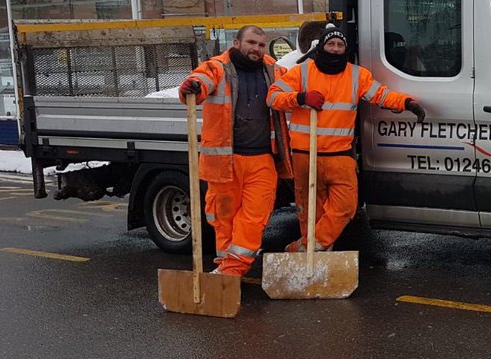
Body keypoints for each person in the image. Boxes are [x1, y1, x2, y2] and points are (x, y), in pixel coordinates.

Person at [268, 24, 426, 252]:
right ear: (322, 46)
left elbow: (380, 95)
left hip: (339, 155)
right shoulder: (302, 72)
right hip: (306, 154)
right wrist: (300, 97)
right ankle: (313, 259)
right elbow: (273, 97)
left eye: (339, 45)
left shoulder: (356, 74)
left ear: (345, 49)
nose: (334, 49)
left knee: (346, 206)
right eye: (330, 44)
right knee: (310, 210)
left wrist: (406, 103)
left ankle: (309, 247)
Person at [178, 25, 292, 277]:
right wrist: (193, 86)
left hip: (262, 158)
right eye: (251, 43)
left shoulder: (273, 70)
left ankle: (232, 270)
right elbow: (201, 81)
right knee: (224, 217)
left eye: (261, 45)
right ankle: (225, 267)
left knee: (254, 217)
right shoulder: (217, 67)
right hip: (225, 161)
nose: (256, 49)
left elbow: (293, 84)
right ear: (237, 42)